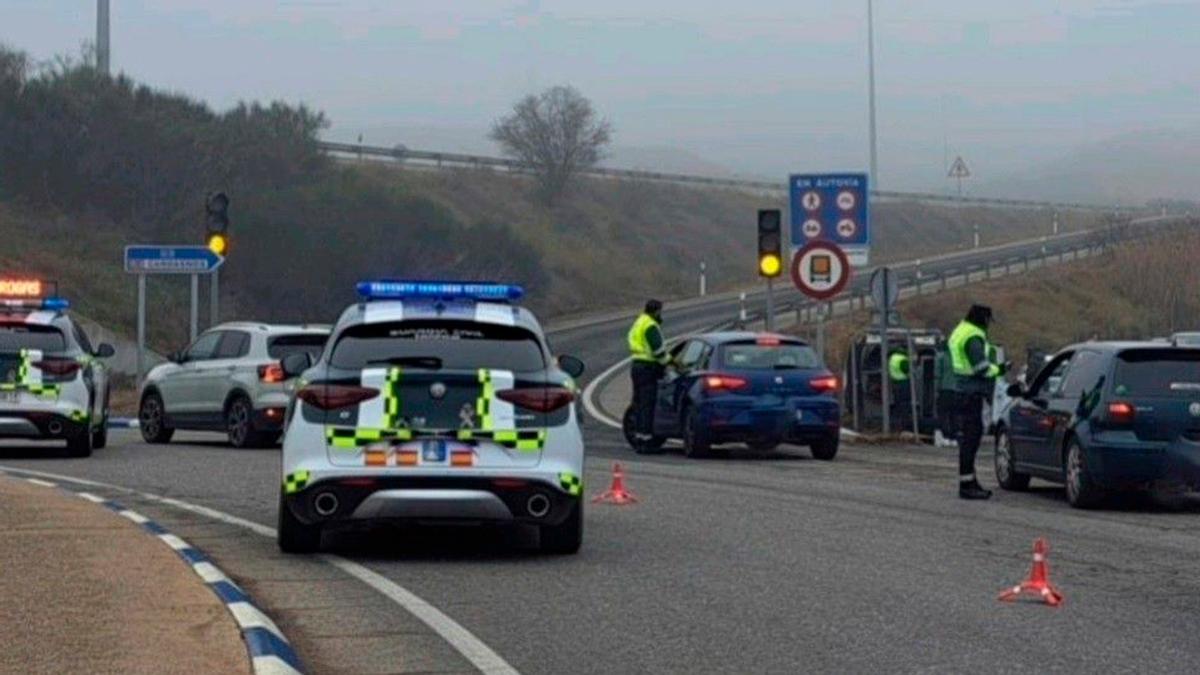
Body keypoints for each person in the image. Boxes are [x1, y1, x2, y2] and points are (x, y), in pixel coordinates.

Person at [947, 304, 1008, 500]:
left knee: (969, 438)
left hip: (961, 390)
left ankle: (969, 481)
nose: (989, 326)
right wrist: (1000, 369)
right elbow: (981, 367)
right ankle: (967, 485)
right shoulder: (973, 336)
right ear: (983, 319)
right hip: (970, 393)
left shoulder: (960, 330)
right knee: (971, 439)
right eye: (988, 321)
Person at [627, 299, 669, 453]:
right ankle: (647, 443)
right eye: (660, 312)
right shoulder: (651, 326)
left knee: (638, 404)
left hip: (636, 366)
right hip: (648, 368)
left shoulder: (639, 322)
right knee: (647, 405)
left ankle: (639, 439)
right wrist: (669, 362)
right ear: (656, 311)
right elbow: (658, 352)